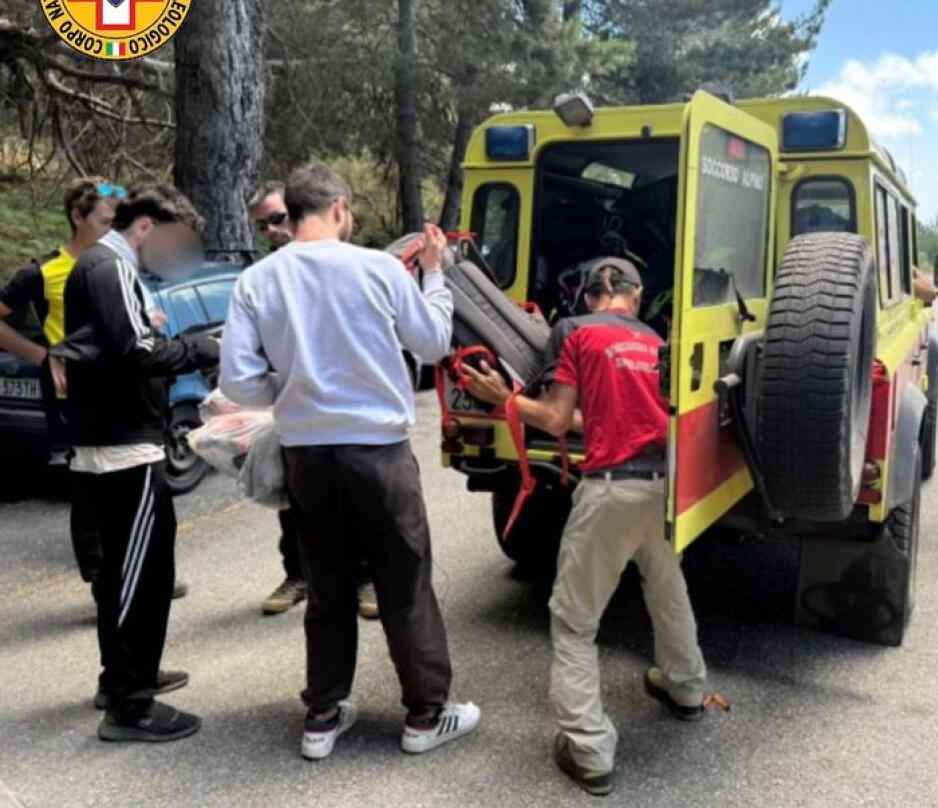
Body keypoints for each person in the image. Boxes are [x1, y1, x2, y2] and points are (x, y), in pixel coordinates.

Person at [220, 163, 479, 761]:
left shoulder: (258, 280)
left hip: (307, 454)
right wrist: (435, 275)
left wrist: (287, 393)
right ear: (339, 208)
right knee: (403, 579)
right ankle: (425, 715)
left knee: (328, 583)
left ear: (293, 210)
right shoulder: (380, 268)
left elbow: (239, 379)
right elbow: (434, 343)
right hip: (378, 451)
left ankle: (322, 716)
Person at [463, 257, 709, 798]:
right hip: (666, 487)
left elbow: (554, 420)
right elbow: (601, 416)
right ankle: (686, 688)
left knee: (573, 622)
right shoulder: (653, 339)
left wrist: (502, 400)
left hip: (611, 490)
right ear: (636, 294)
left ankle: (589, 750)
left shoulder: (572, 332)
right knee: (667, 589)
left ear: (586, 295)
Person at [57, 184, 220, 742]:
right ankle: (131, 707)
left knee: (127, 575)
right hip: (124, 446)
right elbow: (137, 352)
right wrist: (204, 348)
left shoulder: (106, 268)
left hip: (111, 442)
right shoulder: (111, 269)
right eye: (175, 241)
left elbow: (124, 344)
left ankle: (125, 678)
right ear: (147, 227)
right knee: (143, 577)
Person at [246, 182, 379, 619]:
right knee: (293, 501)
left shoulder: (351, 265)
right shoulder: (266, 276)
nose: (271, 229)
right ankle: (299, 574)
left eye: (278, 218)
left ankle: (365, 580)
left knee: (359, 503)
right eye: (263, 223)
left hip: (356, 415)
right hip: (297, 415)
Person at [0, 179, 117, 586]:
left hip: (120, 390)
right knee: (89, 486)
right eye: (105, 220)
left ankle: (139, 569)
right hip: (72, 396)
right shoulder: (44, 270)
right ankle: (102, 580)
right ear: (77, 217)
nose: (112, 228)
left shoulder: (119, 261)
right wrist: (39, 355)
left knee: (127, 480)